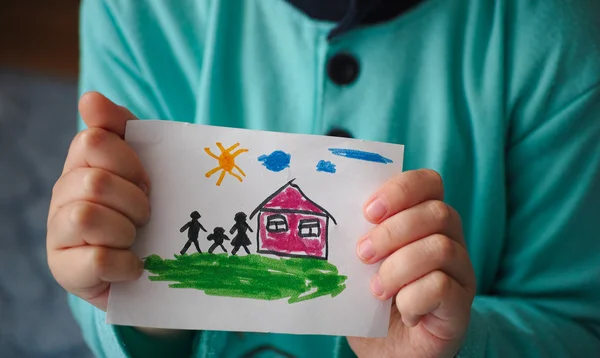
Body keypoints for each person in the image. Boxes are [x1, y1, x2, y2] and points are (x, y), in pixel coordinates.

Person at [46, 0, 600, 357]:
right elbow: (102, 255)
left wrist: (459, 345)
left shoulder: (554, 32)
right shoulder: (140, 11)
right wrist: (136, 305)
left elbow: (577, 324)